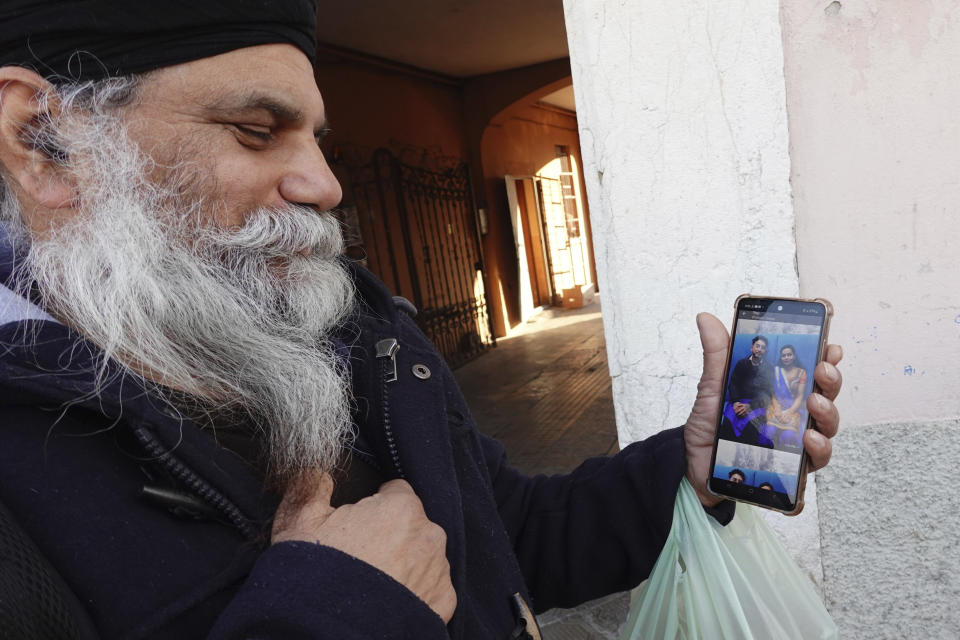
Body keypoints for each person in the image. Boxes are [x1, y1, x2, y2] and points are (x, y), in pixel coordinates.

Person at [0, 2, 845, 638]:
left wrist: (685, 475)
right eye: (257, 131)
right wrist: (342, 610)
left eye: (317, 141)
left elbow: (510, 537)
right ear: (41, 141)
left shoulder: (358, 331)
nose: (324, 185)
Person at [720, 335, 777, 447]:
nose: (759, 349)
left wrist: (750, 406)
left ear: (765, 351)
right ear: (752, 348)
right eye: (757, 346)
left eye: (762, 347)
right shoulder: (741, 363)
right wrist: (736, 402)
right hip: (738, 401)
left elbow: (767, 393)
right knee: (727, 422)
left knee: (751, 427)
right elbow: (733, 384)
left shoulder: (769, 368)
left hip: (756, 404)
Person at [767, 345, 808, 448]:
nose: (786, 357)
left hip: (793, 407)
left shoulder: (801, 373)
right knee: (769, 432)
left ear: (794, 356)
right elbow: (773, 392)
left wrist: (790, 412)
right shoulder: (776, 371)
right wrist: (777, 408)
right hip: (776, 406)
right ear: (781, 358)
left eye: (789, 355)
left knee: (788, 436)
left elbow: (800, 396)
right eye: (783, 355)